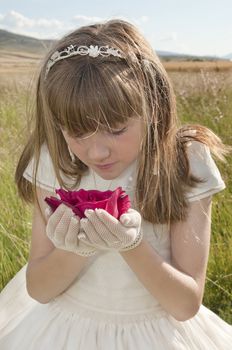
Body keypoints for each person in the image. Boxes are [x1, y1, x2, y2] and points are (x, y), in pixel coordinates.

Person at [0, 18, 231, 349]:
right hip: (64, 331)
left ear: (153, 105)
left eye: (117, 129)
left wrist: (131, 245)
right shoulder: (57, 162)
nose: (97, 151)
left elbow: (184, 305)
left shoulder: (185, 163)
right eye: (76, 132)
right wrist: (75, 249)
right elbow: (38, 289)